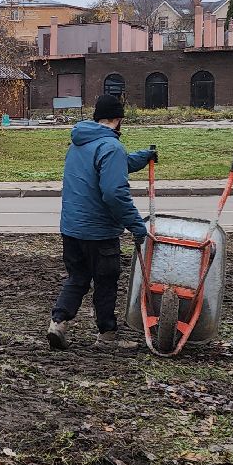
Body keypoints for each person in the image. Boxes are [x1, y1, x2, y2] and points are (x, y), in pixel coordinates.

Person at [46, 93, 154, 351]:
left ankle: (58, 323)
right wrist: (138, 226)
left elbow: (111, 168)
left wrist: (142, 157)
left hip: (71, 228)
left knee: (78, 277)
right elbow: (113, 192)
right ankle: (107, 336)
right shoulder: (111, 147)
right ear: (118, 120)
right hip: (99, 232)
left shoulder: (79, 143)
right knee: (106, 282)